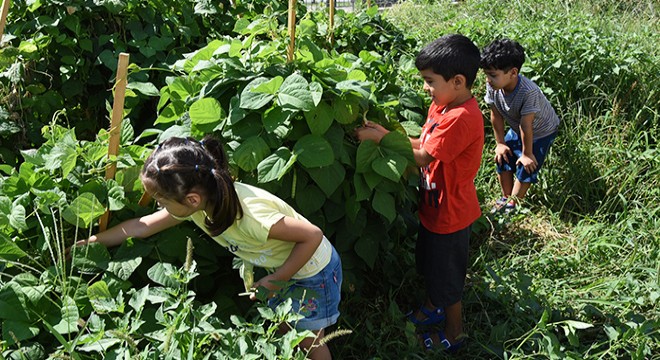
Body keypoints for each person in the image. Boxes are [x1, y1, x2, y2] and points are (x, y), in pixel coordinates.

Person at [73, 136, 342, 360]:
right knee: (288, 324)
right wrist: (91, 243)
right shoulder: (198, 205)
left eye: (161, 200)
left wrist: (275, 279)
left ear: (191, 198)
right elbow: (142, 226)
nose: (159, 207)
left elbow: (313, 236)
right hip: (284, 266)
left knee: (311, 339)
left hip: (312, 270)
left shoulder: (251, 216)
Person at [355, 34, 483, 352]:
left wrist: (380, 139)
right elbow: (425, 144)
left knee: (449, 279)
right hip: (434, 208)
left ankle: (454, 333)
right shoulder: (441, 106)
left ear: (457, 81)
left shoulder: (461, 117)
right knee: (430, 266)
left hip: (451, 216)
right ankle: (432, 305)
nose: (425, 87)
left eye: (430, 81)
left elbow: (425, 157)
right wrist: (384, 133)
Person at [480, 38, 560, 213]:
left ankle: (513, 205)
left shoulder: (528, 91)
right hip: (518, 127)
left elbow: (527, 125)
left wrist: (527, 153)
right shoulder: (493, 85)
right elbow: (496, 115)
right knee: (503, 156)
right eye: (486, 74)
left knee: (528, 165)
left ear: (513, 73)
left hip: (540, 130)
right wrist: (500, 143)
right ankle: (505, 197)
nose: (488, 80)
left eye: (493, 75)